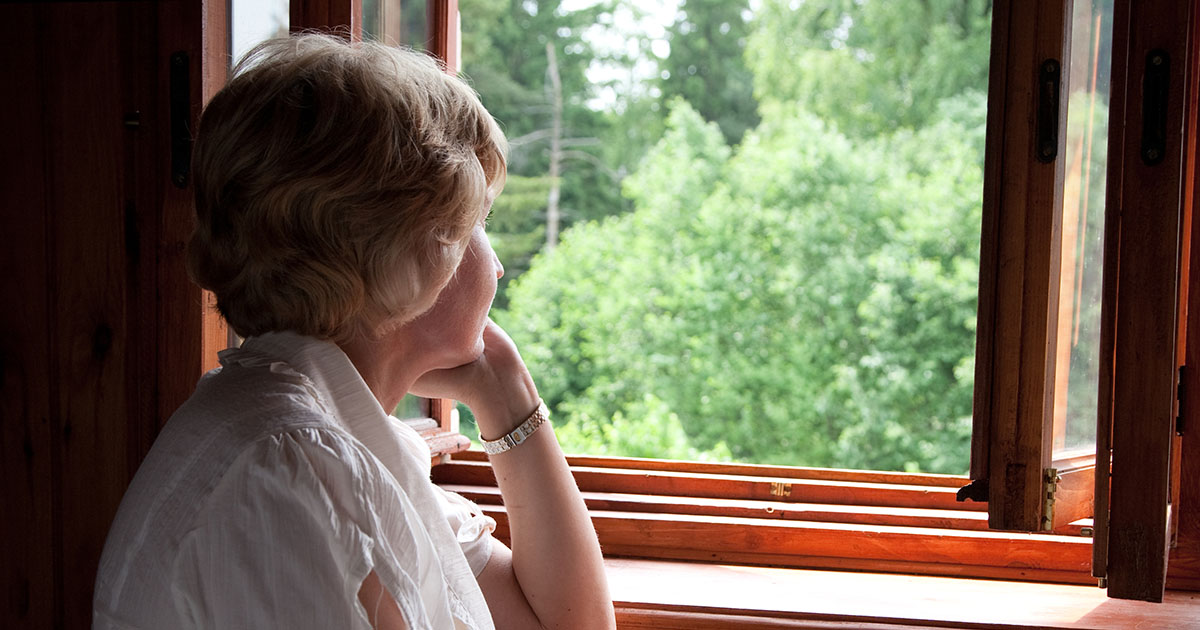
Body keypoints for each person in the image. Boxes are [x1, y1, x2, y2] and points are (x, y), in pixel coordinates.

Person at [93, 33, 614, 630]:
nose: (496, 265)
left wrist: (505, 386)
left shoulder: (339, 438)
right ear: (413, 250)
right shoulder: (290, 471)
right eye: (479, 221)